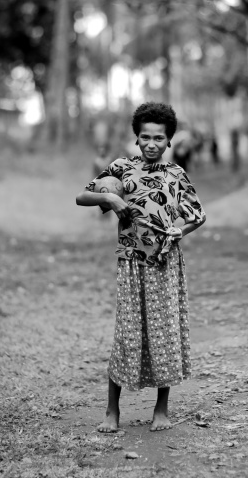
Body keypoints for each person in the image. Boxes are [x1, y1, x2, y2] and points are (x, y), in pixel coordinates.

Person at [76, 102, 206, 433]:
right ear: (136, 138)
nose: (151, 144)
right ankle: (112, 411)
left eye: (159, 138)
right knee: (127, 333)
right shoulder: (120, 168)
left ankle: (161, 409)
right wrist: (110, 199)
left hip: (164, 262)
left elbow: (197, 215)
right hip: (132, 262)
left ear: (169, 141)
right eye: (145, 137)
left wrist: (181, 230)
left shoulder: (176, 175)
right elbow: (82, 196)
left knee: (164, 334)